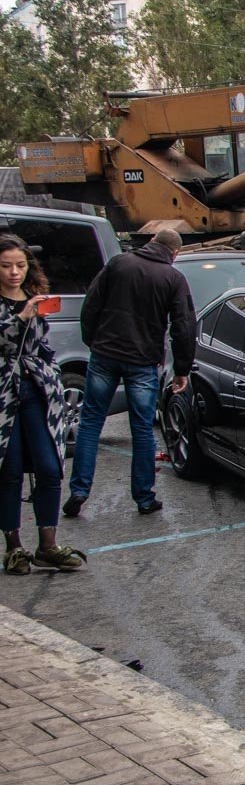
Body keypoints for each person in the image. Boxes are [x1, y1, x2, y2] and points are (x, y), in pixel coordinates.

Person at [64, 229, 196, 517]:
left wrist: (94, 341)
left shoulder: (118, 264)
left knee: (89, 424)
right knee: (142, 430)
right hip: (143, 361)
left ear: (151, 243)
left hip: (105, 354)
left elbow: (91, 305)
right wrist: (182, 370)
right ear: (174, 254)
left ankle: (79, 491)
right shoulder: (173, 278)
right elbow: (183, 327)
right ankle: (144, 497)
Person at [0, 235, 85, 574]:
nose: (14, 273)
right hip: (4, 395)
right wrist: (22, 317)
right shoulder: (20, 306)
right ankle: (14, 548)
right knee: (8, 472)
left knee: (50, 467)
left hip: (38, 391)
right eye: (6, 266)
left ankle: (48, 545)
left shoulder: (32, 297)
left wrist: (49, 367)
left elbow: (40, 343)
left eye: (20, 266)